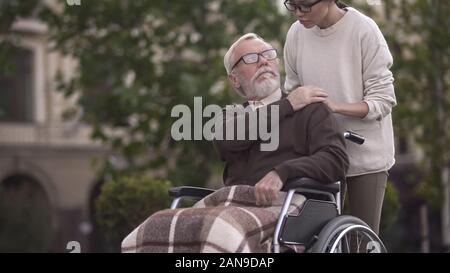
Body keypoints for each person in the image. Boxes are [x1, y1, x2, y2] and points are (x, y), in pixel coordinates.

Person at [282, 0, 397, 234]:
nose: (298, 14)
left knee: (359, 239)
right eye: (291, 5)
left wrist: (335, 106)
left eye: (304, 6)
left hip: (365, 156)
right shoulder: (296, 34)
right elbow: (291, 90)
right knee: (313, 238)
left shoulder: (364, 29)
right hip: (319, 155)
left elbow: (383, 100)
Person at [215, 32, 349, 206]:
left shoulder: (311, 109)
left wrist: (283, 172)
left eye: (268, 54)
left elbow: (335, 160)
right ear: (235, 79)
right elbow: (226, 140)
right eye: (250, 58)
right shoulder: (232, 115)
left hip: (288, 207)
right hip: (232, 204)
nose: (263, 61)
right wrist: (288, 105)